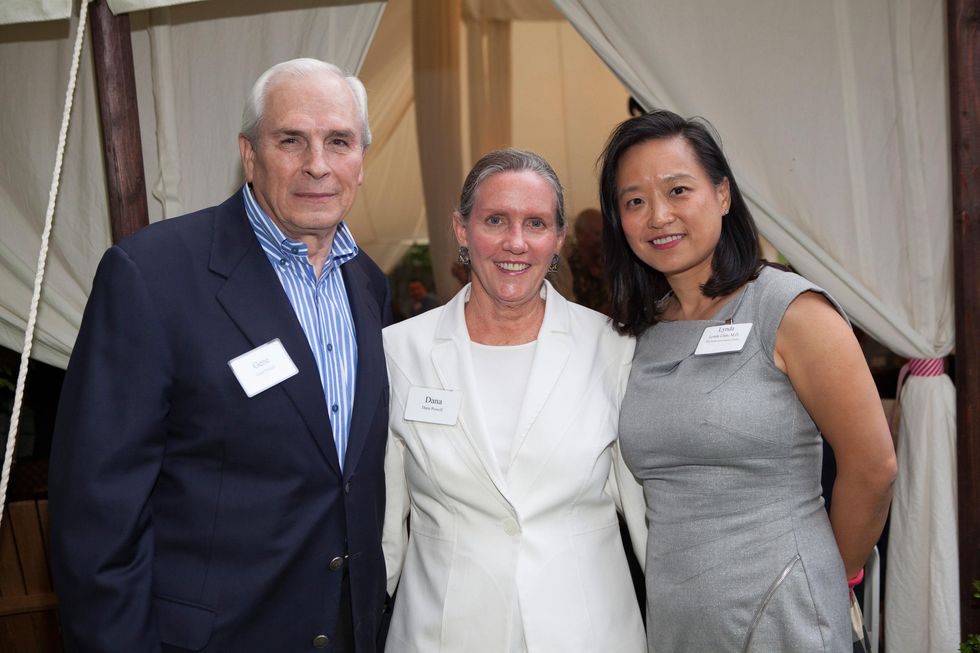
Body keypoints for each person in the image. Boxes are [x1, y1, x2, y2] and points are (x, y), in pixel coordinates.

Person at [48, 58, 392, 652]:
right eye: (291, 140)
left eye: (339, 141)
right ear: (250, 154)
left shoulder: (368, 285)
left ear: (360, 160)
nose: (318, 163)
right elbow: (97, 516)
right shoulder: (152, 275)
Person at [599, 110, 897, 651]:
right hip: (676, 616)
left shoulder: (791, 310)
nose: (658, 215)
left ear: (723, 195)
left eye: (678, 190)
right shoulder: (637, 334)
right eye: (634, 201)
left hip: (786, 611)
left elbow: (873, 466)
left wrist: (831, 576)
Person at [381, 148, 647, 652]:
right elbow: (387, 529)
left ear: (558, 240)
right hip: (442, 633)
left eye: (536, 223)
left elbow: (644, 515)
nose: (516, 242)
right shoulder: (401, 350)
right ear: (461, 230)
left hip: (588, 632)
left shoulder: (612, 347)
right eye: (495, 220)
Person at [566, 207, 611, 315]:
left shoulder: (606, 262)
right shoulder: (570, 268)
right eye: (597, 234)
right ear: (580, 235)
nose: (602, 239)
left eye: (604, 233)